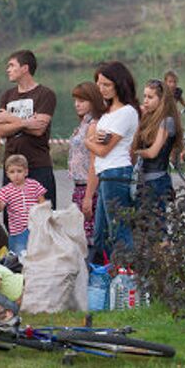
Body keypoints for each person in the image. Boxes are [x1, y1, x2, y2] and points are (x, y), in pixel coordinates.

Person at [85, 61, 140, 263]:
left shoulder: (126, 112)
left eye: (106, 84)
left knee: (119, 231)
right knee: (100, 235)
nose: (102, 89)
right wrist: (92, 141)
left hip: (116, 173)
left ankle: (128, 277)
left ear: (118, 84)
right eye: (99, 84)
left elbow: (103, 149)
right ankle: (109, 276)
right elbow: (98, 145)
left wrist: (87, 141)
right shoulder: (107, 114)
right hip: (105, 174)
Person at [0, 50, 57, 208]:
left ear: (25, 68)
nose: (7, 69)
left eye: (11, 65)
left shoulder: (45, 94)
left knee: (43, 216)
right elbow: (0, 131)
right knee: (12, 217)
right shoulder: (7, 95)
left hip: (37, 164)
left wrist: (10, 119)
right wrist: (25, 123)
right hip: (11, 165)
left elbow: (39, 129)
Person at [134, 79, 183, 214]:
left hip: (157, 181)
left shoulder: (167, 121)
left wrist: (134, 152)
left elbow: (152, 152)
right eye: (144, 96)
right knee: (141, 225)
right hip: (143, 179)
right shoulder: (149, 119)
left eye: (150, 97)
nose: (145, 101)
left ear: (162, 100)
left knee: (156, 226)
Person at [68, 82, 106, 247]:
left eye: (82, 100)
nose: (77, 104)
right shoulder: (83, 123)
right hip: (78, 185)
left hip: (88, 186)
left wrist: (88, 196)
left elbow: (94, 163)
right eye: (75, 100)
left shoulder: (93, 125)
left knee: (89, 239)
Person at [0, 155, 46, 258]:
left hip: (35, 229)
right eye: (12, 172)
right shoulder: (5, 190)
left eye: (19, 171)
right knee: (18, 258)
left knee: (37, 256)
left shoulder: (34, 185)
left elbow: (42, 203)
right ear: (7, 174)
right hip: (17, 232)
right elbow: (0, 209)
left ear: (26, 172)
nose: (16, 175)